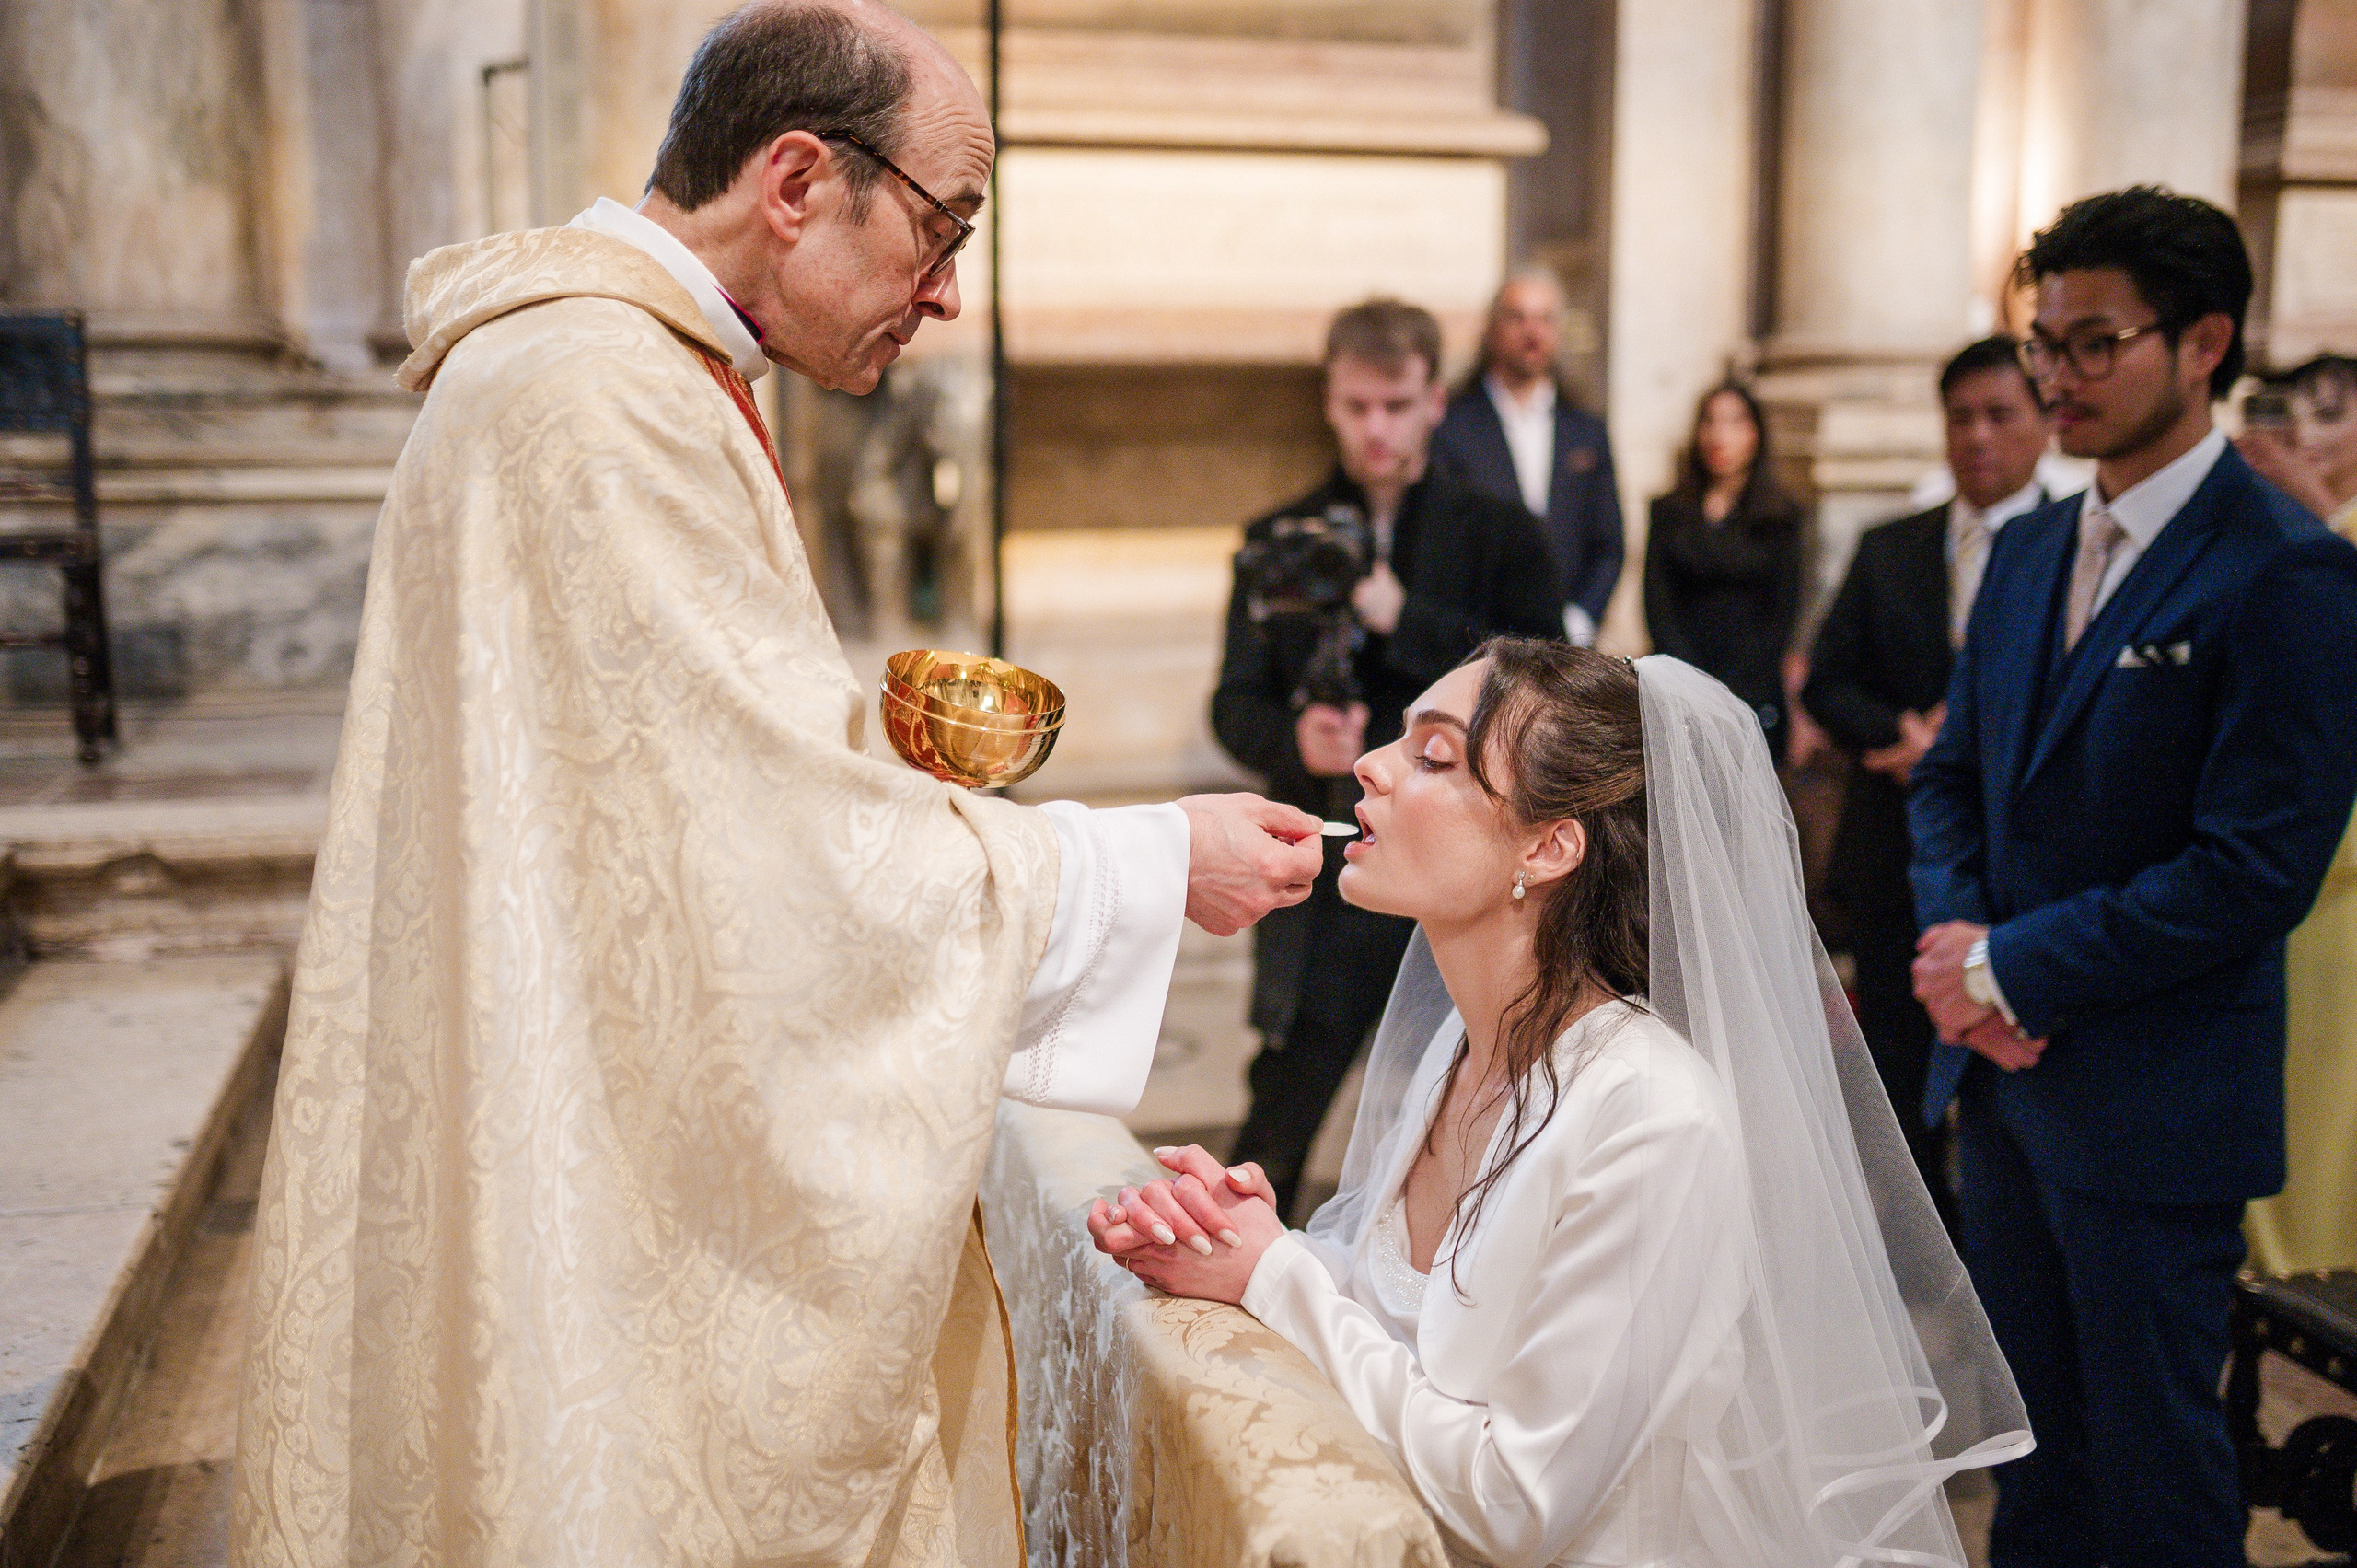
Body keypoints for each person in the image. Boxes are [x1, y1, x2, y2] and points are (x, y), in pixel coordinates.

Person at [229, 6, 1327, 1566]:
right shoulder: (600, 401)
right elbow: (771, 877)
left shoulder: (615, 370)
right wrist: (1147, 863)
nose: (948, 293)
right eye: (944, 229)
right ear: (799, 182)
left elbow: (693, 811)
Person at [1097, 641, 2030, 1566]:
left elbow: (1517, 1501)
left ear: (1548, 847)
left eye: (1433, 756)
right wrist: (1245, 1238)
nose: (1369, 765)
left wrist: (1273, 1277)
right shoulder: (1461, 1045)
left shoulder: (1652, 1115)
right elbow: (1418, 1316)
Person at [1910, 187, 2357, 1568]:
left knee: (2159, 1472)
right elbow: (1952, 776)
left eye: (2095, 343)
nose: (2057, 374)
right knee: (2029, 1461)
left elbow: (2253, 867)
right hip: (2005, 1087)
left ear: (2204, 341)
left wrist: (2009, 968)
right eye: (2043, 343)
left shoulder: (2284, 568)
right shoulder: (2030, 544)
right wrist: (1958, 952)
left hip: (2156, 1096)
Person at [1212, 299, 1562, 1222]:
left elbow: (1548, 686)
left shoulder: (1501, 534)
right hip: (1328, 864)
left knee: (1476, 1112)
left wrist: (1401, 617)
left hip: (1469, 871)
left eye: (1396, 405)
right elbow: (1233, 702)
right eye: (1357, 405)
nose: (1376, 428)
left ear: (1435, 401)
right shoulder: (1277, 536)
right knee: (1281, 1109)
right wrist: (1295, 740)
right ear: (1329, 402)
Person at [1801, 335, 2052, 1236]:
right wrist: (1900, 736)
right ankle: (1916, 1250)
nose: (1977, 436)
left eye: (2000, 415)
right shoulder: (1892, 547)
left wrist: (1969, 744)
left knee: (2011, 1078)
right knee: (1897, 1073)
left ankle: (2003, 1239)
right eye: (1960, 417)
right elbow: (1827, 681)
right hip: (1895, 851)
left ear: (2043, 421)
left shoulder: (2072, 543)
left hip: (2024, 864)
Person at [2239, 351, 2357, 1275]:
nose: (2306, 435)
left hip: (2348, 863)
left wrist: (2315, 511)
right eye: (2296, 413)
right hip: (2277, 831)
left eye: (2330, 413)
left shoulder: (2328, 528)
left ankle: (2317, 1270)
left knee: (2330, 1086)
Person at [1432, 267, 1624, 645]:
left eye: (1545, 319)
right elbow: (1442, 545)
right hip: (1478, 640)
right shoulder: (1451, 426)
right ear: (1492, 328)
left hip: (1569, 645)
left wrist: (1579, 622)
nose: (1532, 331)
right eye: (1518, 317)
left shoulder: (1586, 430)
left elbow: (1608, 545)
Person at [1643, 380, 1806, 758]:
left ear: (1756, 434)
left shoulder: (1781, 517)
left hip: (1751, 692)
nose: (1720, 436)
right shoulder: (1669, 511)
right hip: (1678, 688)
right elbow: (1658, 605)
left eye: (1735, 422)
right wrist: (1690, 684)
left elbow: (1782, 615)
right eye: (1710, 422)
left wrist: (1727, 695)